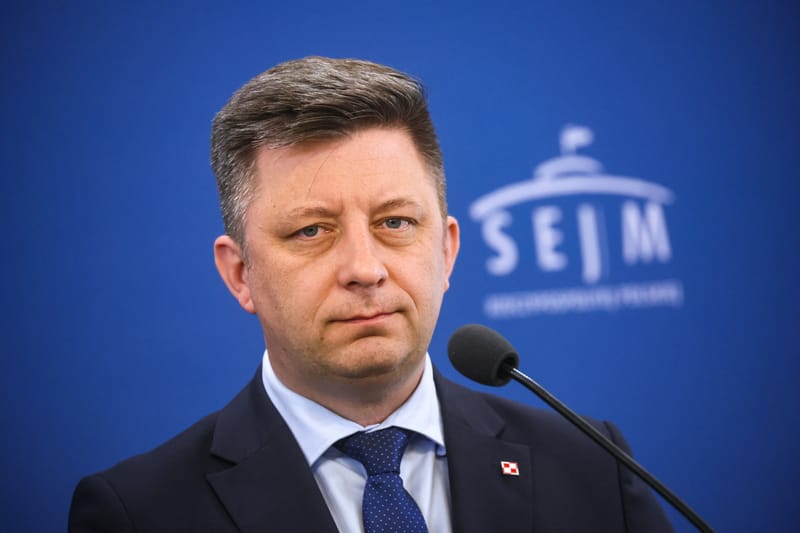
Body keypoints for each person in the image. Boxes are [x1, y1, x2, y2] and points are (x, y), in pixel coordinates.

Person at [68, 56, 673, 532]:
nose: (365, 268)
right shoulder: (138, 513)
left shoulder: (593, 466)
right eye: (311, 231)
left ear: (446, 251)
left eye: (396, 222)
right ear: (240, 274)